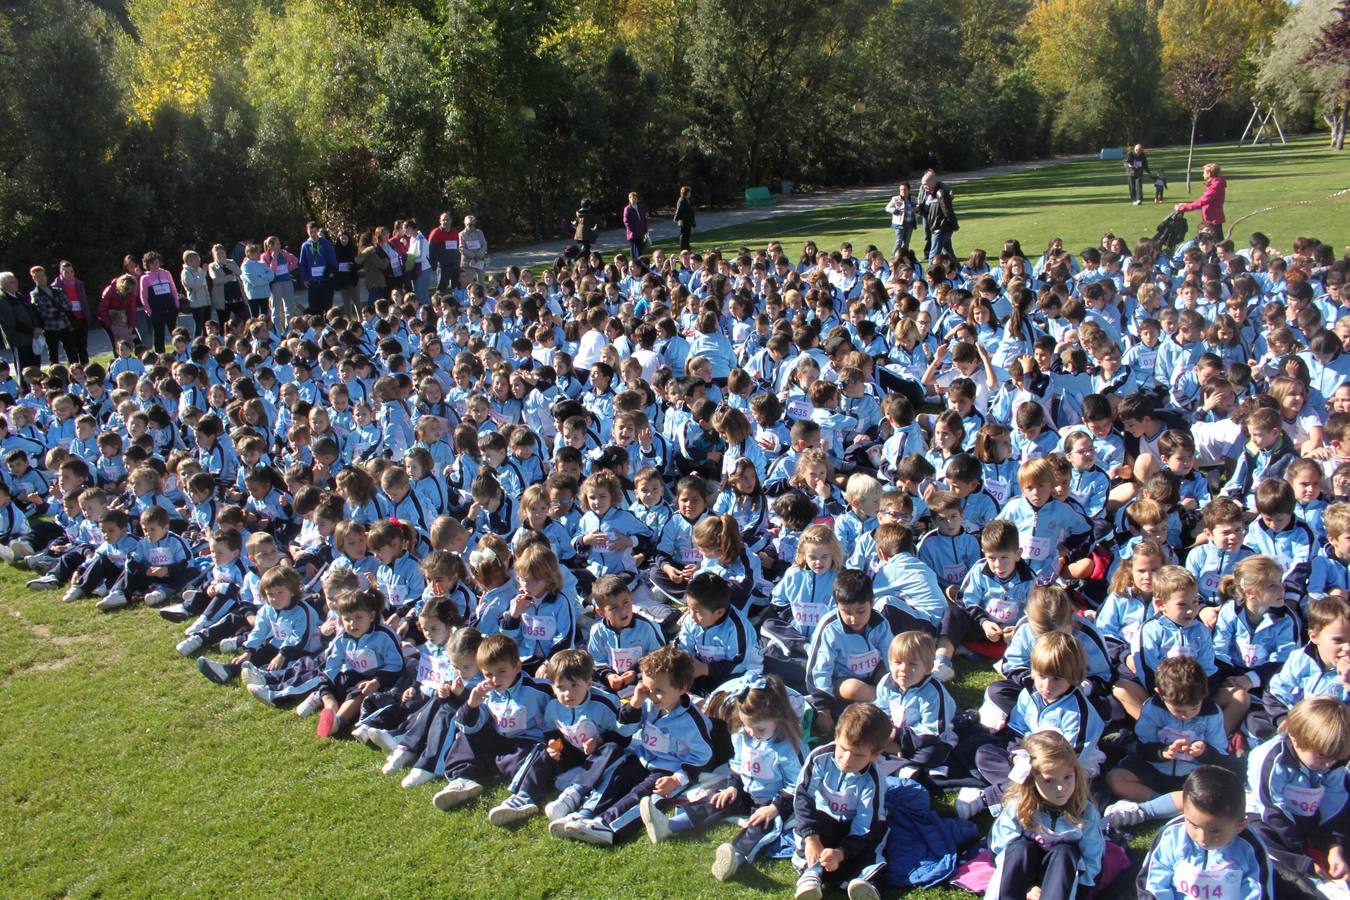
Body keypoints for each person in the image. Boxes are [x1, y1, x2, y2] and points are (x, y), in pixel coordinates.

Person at [1137, 765, 1275, 899]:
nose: (1202, 838)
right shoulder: (1171, 836)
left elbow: (1258, 893)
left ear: (1239, 826)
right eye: (1194, 825)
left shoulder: (1250, 848)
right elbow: (1154, 883)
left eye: (1215, 831)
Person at [29, 265, 76, 364]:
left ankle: (75, 372)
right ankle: (55, 375)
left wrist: (56, 311)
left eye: (43, 275)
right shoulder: (35, 294)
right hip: (50, 328)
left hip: (65, 325)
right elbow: (42, 311)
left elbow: (68, 305)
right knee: (53, 354)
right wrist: (59, 310)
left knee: (71, 351)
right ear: (34, 279)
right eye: (38, 277)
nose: (41, 278)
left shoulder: (57, 290)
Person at [51, 260, 90, 364]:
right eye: (66, 272)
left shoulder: (79, 283)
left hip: (81, 318)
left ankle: (86, 369)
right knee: (71, 348)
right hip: (67, 320)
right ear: (61, 273)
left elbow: (84, 301)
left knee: (83, 346)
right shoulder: (55, 286)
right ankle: (75, 371)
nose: (69, 274)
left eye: (71, 271)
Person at [0, 270, 40, 368]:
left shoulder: (19, 296)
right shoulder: (2, 301)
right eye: (12, 282)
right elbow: (12, 322)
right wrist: (31, 331)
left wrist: (37, 327)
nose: (16, 283)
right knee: (24, 368)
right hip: (19, 340)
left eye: (15, 280)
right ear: (3, 285)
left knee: (35, 366)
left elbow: (31, 313)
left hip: (32, 338)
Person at [297, 220, 338, 315]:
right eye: (310, 232)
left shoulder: (326, 244)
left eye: (314, 232)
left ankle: (328, 326)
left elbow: (333, 261)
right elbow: (302, 263)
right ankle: (317, 326)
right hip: (313, 282)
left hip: (326, 280)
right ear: (307, 232)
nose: (312, 234)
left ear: (318, 231)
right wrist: (304, 278)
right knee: (315, 307)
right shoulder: (305, 246)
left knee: (327, 306)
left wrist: (332, 274)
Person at [1175, 162, 1227, 231]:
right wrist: (1187, 204)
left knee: (1215, 240)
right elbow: (1203, 201)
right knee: (1213, 240)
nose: (1203, 175)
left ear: (1209, 174)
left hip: (1213, 219)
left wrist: (1183, 207)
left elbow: (1203, 201)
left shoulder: (1215, 186)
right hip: (1210, 218)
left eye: (1204, 172)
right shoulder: (1214, 185)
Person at [919, 169, 958, 261]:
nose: (924, 187)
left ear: (932, 182)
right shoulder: (933, 193)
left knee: (933, 256)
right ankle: (959, 271)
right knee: (949, 254)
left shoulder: (941, 193)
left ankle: (930, 274)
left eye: (925, 184)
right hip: (939, 228)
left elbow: (947, 211)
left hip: (940, 229)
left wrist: (953, 225)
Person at [179, 250, 211, 338]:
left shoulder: (199, 270)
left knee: (207, 326)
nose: (198, 261)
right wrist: (203, 272)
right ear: (189, 261)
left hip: (206, 302)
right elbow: (195, 285)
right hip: (196, 304)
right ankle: (196, 343)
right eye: (196, 260)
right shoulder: (186, 272)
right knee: (199, 326)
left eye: (198, 259)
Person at [427, 211, 460, 293]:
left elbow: (457, 248)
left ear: (451, 220)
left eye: (447, 220)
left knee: (457, 288)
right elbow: (431, 250)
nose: (445, 222)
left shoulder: (455, 232)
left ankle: (455, 304)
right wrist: (433, 265)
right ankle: (439, 304)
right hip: (443, 267)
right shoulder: (435, 233)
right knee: (441, 290)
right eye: (443, 220)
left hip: (455, 265)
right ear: (440, 221)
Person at [884, 182, 917, 257]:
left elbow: (918, 208)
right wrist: (895, 211)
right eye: (901, 190)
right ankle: (893, 257)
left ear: (909, 190)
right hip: (899, 224)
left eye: (905, 190)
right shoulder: (895, 199)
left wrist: (918, 208)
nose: (902, 191)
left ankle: (904, 257)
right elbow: (887, 208)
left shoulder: (913, 199)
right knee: (899, 241)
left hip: (910, 224)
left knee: (906, 243)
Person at [459, 215, 488, 283]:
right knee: (468, 283)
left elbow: (484, 245)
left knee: (481, 282)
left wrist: (479, 255)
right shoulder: (461, 234)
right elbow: (461, 248)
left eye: (473, 224)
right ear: (465, 224)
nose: (471, 226)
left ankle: (482, 293)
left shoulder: (479, 232)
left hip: (479, 260)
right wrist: (473, 256)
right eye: (469, 224)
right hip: (467, 263)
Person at [623, 191, 647, 261]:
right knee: (634, 251)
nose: (634, 200)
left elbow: (644, 219)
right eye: (632, 198)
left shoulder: (640, 207)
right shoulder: (627, 209)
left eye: (635, 198)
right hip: (632, 235)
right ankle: (634, 264)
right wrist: (633, 230)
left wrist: (645, 230)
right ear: (629, 199)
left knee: (640, 251)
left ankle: (641, 264)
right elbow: (626, 221)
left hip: (641, 233)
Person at [674, 186, 696, 252]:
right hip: (685, 222)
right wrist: (677, 218)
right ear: (686, 192)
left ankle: (687, 249)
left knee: (686, 236)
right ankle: (684, 250)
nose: (690, 193)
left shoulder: (685, 200)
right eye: (689, 192)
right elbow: (679, 210)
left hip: (688, 222)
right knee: (684, 236)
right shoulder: (682, 200)